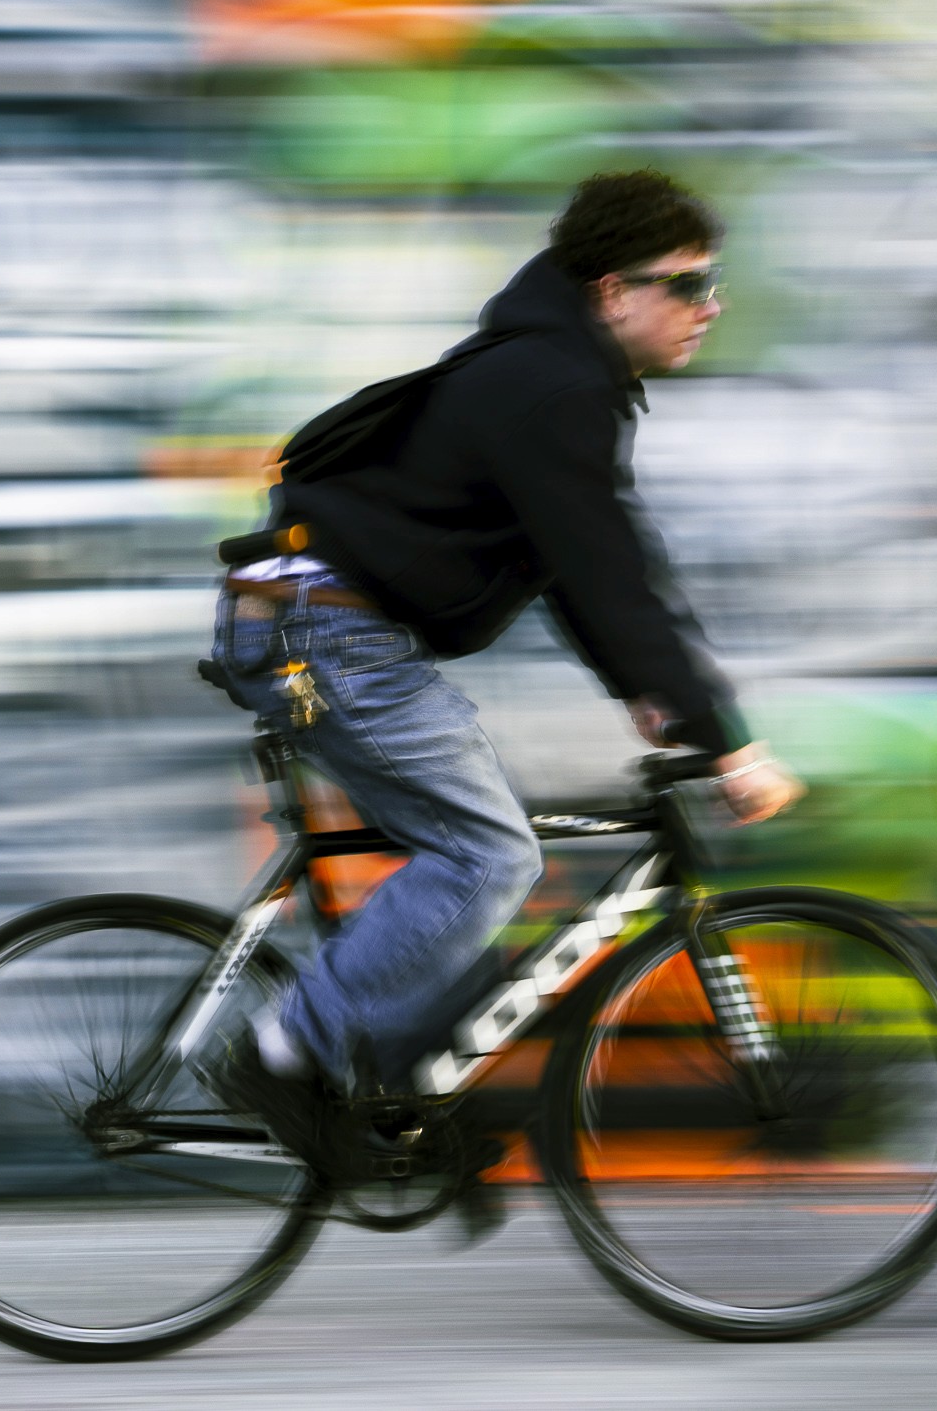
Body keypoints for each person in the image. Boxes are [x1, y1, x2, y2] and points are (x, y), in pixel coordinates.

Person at [206, 170, 803, 1162]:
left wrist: (644, 699)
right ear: (615, 292)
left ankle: (393, 1091)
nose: (712, 305)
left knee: (466, 847)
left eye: (715, 282)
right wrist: (726, 742)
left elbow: (575, 570)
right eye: (689, 285)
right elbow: (616, 575)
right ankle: (279, 1055)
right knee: (488, 855)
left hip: (315, 623)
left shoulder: (549, 371)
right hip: (324, 630)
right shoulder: (555, 386)